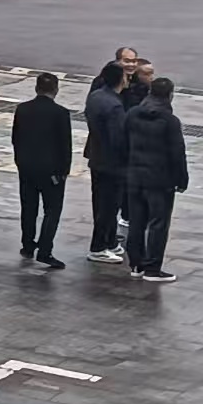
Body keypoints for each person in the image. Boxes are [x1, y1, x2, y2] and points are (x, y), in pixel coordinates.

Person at [121, 76, 190, 282]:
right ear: (170, 95)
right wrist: (182, 179)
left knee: (136, 222)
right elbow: (177, 152)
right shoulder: (170, 121)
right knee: (158, 224)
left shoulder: (132, 114)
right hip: (160, 180)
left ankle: (136, 264)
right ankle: (153, 268)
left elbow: (123, 142)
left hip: (135, 176)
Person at [11, 72, 75, 270]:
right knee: (52, 211)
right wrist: (64, 171)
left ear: (36, 88)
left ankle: (27, 244)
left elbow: (15, 138)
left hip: (27, 167)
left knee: (28, 208)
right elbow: (65, 145)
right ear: (56, 89)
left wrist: (20, 161)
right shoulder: (61, 113)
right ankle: (45, 250)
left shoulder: (22, 109)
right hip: (51, 170)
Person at [81, 51, 141, 263]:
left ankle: (109, 241)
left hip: (97, 157)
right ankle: (98, 246)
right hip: (112, 163)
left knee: (100, 202)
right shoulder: (114, 105)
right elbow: (118, 139)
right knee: (109, 206)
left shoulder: (96, 96)